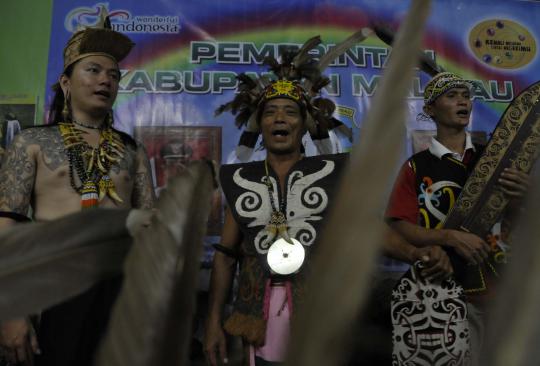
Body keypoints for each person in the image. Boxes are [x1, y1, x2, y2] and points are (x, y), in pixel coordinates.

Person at [0, 10, 155, 366]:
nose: (106, 80)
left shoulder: (133, 149)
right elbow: (6, 227)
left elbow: (150, 228)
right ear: (66, 82)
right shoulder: (32, 141)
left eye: (114, 75)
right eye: (94, 71)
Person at [385, 72, 528, 365]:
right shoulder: (416, 166)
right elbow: (400, 225)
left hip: (504, 287)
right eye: (451, 96)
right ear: (430, 110)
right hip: (447, 293)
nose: (462, 100)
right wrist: (447, 236)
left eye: (465, 95)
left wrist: (529, 192)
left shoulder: (495, 161)